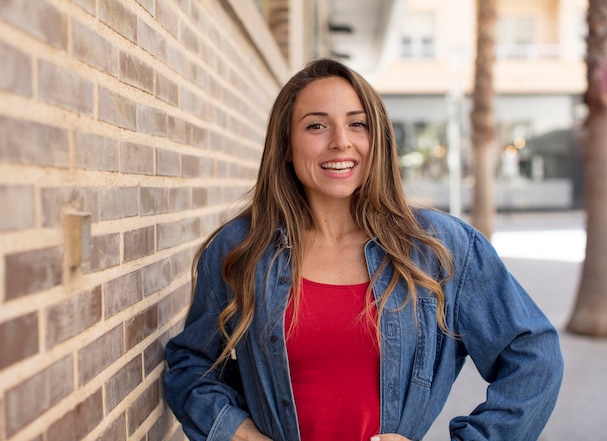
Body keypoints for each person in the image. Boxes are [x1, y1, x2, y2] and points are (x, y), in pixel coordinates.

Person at [164, 58, 563, 441]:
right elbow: (191, 364)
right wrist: (237, 433)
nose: (341, 142)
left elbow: (533, 355)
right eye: (316, 125)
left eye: (358, 124)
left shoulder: (440, 249)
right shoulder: (242, 249)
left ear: (379, 139)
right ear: (285, 145)